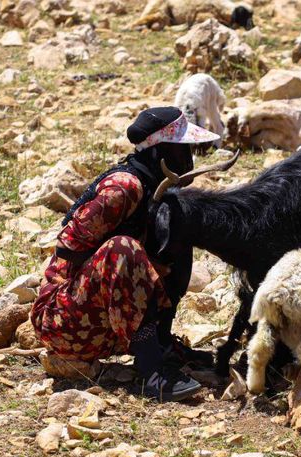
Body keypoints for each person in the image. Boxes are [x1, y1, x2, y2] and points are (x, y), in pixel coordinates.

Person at [31, 106, 220, 402]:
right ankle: (152, 370)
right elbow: (67, 247)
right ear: (161, 153)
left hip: (105, 320)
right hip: (62, 321)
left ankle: (161, 344)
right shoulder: (125, 187)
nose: (189, 158)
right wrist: (135, 264)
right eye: (182, 150)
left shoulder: (156, 186)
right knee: (122, 249)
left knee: (177, 231)